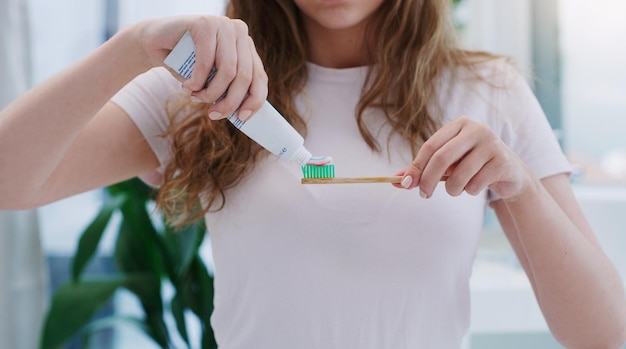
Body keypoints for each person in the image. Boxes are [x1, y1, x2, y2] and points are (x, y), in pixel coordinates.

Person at [1, 0, 625, 348]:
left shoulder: (488, 90)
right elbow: (10, 180)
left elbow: (604, 334)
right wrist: (134, 46)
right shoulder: (205, 94)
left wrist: (521, 186)